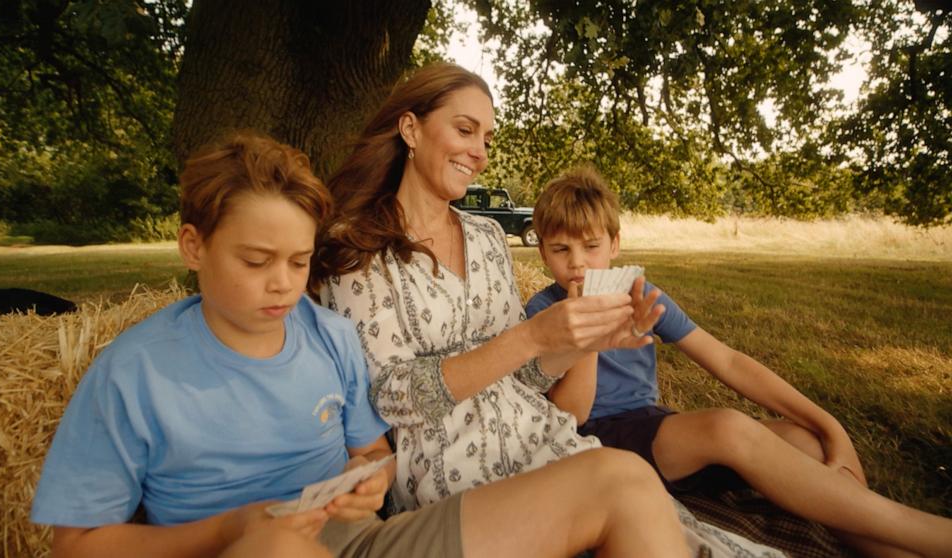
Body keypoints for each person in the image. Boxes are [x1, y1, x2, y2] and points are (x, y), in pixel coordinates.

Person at [29, 132, 695, 558]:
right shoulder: (134, 373)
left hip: (359, 545)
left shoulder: (329, 337)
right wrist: (235, 528)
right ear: (193, 246)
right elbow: (78, 544)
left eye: (298, 261)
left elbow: (373, 454)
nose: (284, 285)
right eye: (257, 260)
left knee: (622, 478)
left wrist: (365, 483)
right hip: (235, 550)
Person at [314, 62, 785, 557]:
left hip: (540, 434)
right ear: (411, 129)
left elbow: (524, 380)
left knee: (675, 528)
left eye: (488, 138)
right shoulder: (358, 248)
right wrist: (531, 337)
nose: (479, 153)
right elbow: (388, 400)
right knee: (625, 493)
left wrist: (580, 341)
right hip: (449, 466)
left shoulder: (487, 237)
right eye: (465, 130)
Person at [524, 166, 952, 558]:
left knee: (805, 444)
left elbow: (728, 361)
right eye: (561, 249)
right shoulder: (541, 311)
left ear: (614, 245)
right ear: (543, 253)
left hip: (654, 427)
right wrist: (586, 336)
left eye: (591, 246)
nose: (578, 263)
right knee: (726, 427)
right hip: (597, 444)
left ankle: (898, 550)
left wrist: (830, 426)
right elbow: (569, 416)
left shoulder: (639, 292)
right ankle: (923, 530)